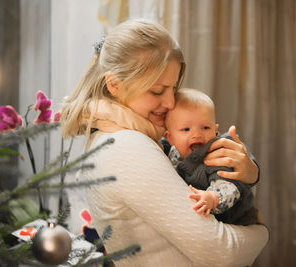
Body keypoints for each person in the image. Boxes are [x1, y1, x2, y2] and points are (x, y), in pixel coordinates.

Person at [60, 18, 268, 267]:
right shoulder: (127, 146)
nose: (170, 103)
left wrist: (249, 174)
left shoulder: (123, 136)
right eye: (157, 91)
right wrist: (262, 232)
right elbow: (221, 251)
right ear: (114, 85)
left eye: (173, 88)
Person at [162, 88, 258, 226]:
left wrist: (213, 198)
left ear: (215, 129)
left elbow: (228, 187)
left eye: (205, 128)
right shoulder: (167, 150)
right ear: (169, 137)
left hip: (236, 219)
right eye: (186, 129)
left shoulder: (218, 153)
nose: (197, 134)